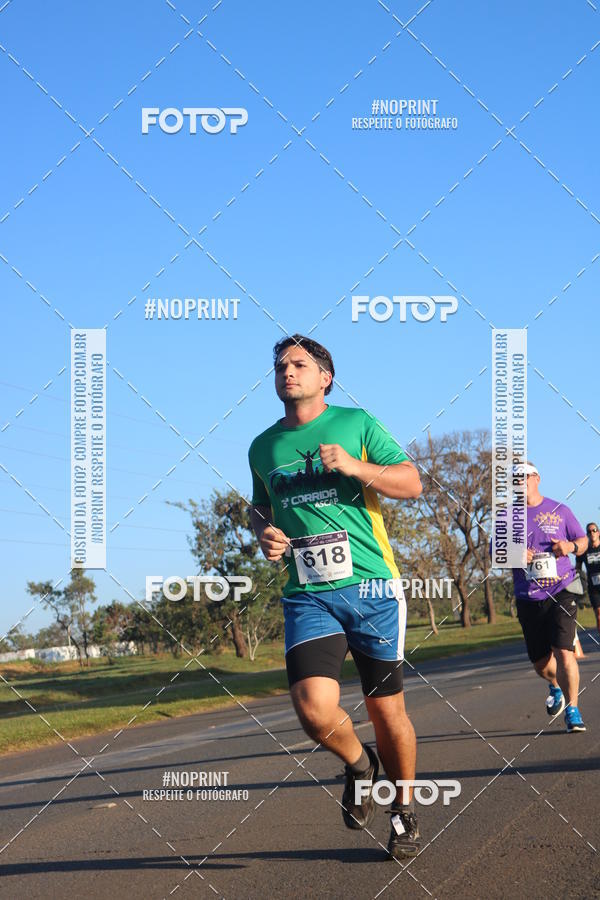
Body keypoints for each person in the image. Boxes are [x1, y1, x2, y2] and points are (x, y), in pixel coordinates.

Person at [248, 334, 423, 859]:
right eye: (280, 365)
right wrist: (263, 533)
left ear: (325, 377)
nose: (287, 371)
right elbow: (261, 507)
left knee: (385, 708)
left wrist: (356, 466)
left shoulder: (357, 423)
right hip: (308, 593)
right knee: (313, 709)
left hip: (372, 588)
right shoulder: (262, 446)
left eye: (299, 364)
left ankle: (404, 812)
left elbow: (411, 482)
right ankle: (360, 766)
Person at [513, 463, 588, 732]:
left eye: (523, 477)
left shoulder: (560, 510)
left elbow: (582, 541)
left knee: (564, 652)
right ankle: (555, 686)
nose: (519, 482)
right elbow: (494, 554)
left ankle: (573, 710)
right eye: (514, 479)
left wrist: (570, 546)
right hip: (528, 597)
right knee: (542, 664)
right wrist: (514, 556)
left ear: (537, 479)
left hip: (561, 589)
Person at [577, 522, 600, 635]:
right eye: (589, 531)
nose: (592, 533)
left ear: (598, 532)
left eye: (594, 530)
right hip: (593, 587)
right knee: (599, 615)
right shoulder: (584, 551)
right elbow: (577, 569)